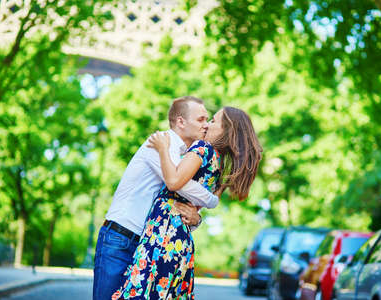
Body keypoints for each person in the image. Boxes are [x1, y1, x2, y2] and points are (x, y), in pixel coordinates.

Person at [112, 106, 262, 299]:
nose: (207, 125)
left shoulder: (202, 148)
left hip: (163, 234)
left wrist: (163, 149)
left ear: (226, 131)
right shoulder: (219, 164)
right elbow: (199, 204)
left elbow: (174, 181)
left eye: (214, 121)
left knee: (141, 293)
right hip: (179, 239)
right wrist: (197, 218)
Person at [93, 96, 221, 300]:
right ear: (181, 121)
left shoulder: (186, 156)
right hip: (121, 239)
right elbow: (179, 184)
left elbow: (177, 204)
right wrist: (213, 201)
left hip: (146, 243)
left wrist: (197, 219)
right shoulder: (160, 143)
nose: (206, 125)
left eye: (207, 119)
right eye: (200, 119)